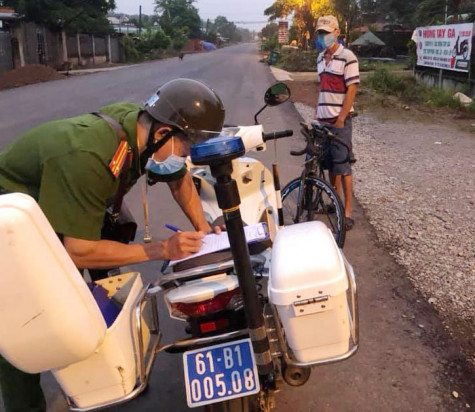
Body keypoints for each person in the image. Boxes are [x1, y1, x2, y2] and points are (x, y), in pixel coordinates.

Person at [0, 78, 226, 411]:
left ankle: (111, 367)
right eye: (186, 149)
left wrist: (205, 230)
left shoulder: (143, 129)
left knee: (104, 289)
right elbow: (76, 251)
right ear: (163, 134)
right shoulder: (89, 154)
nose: (186, 158)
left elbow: (179, 181)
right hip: (10, 222)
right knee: (20, 322)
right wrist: (162, 249)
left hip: (65, 202)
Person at [315, 15, 359, 230]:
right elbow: (322, 89)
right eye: (320, 33)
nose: (323, 36)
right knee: (330, 164)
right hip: (322, 120)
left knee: (343, 166)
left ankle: (348, 212)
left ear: (337, 32)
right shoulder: (320, 58)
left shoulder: (348, 57)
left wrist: (341, 118)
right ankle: (335, 202)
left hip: (339, 121)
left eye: (326, 32)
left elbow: (352, 89)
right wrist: (316, 117)